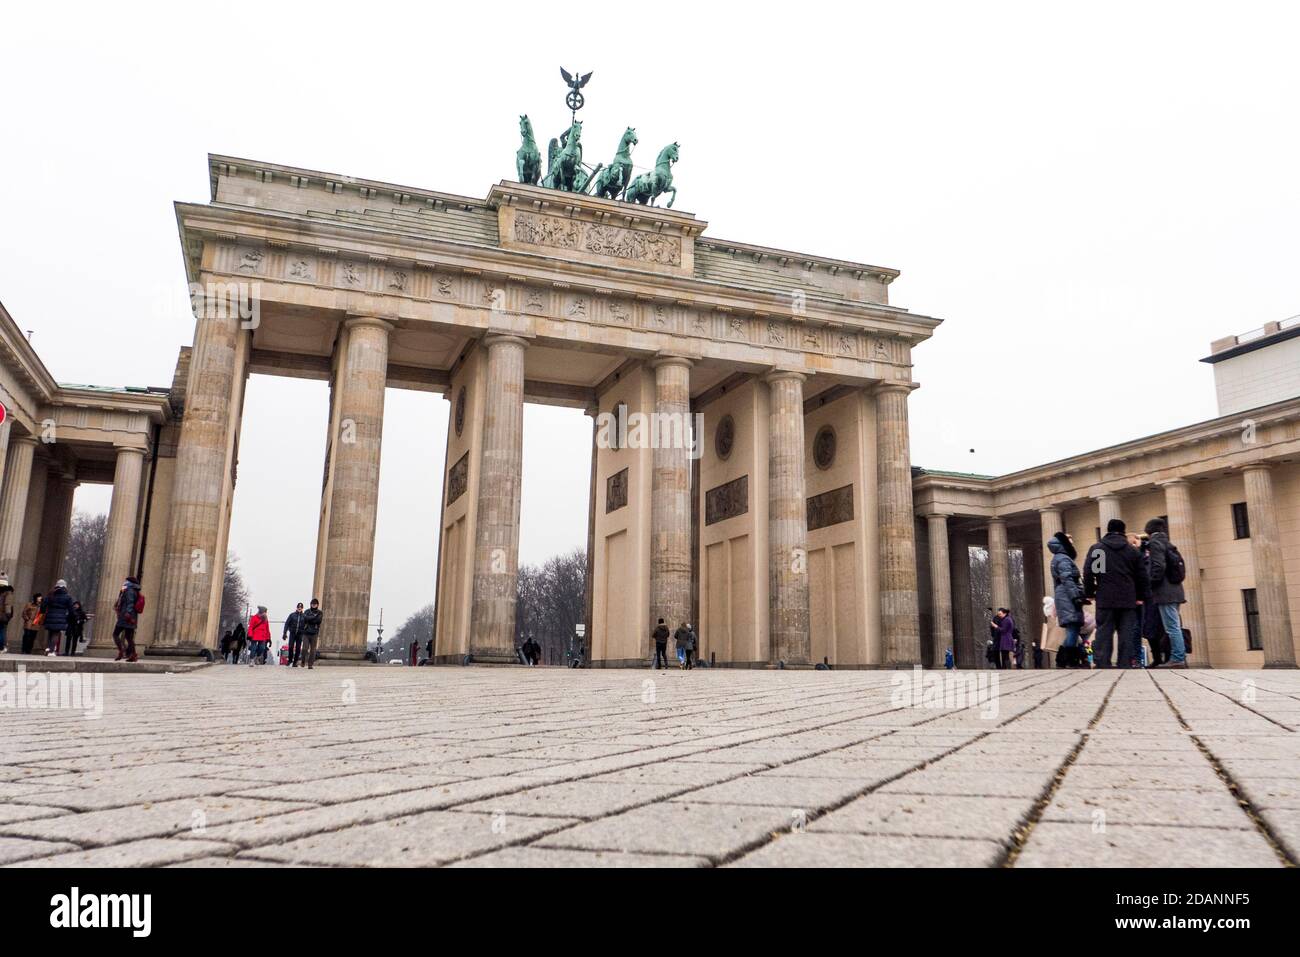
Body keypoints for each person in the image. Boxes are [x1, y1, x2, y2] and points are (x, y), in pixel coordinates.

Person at [1083, 519, 1149, 668]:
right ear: (1124, 531)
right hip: (1128, 598)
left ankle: (1102, 662)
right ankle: (1125, 663)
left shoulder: (1099, 549)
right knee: (1126, 632)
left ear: (1108, 530)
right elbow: (1141, 576)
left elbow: (1090, 573)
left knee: (1104, 631)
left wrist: (1090, 592)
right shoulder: (1131, 550)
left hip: (1105, 596)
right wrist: (1140, 596)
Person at [1144, 518, 1189, 668]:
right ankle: (1178, 656)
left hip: (1164, 591)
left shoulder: (1155, 543)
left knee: (1172, 627)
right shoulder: (1169, 544)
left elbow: (1158, 566)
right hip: (1175, 590)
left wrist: (1151, 583)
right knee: (1174, 625)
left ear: (1149, 531)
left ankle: (1177, 658)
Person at [1047, 532, 1087, 668]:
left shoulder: (1058, 558)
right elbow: (1068, 580)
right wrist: (1076, 596)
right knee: (1073, 629)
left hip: (1064, 595)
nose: (1072, 543)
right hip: (1068, 596)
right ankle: (1070, 660)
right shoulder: (1064, 559)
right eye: (1070, 540)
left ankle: (1063, 660)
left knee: (1072, 629)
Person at [112, 576, 145, 662]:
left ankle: (121, 651)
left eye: (126, 580)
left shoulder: (129, 590)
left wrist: (128, 613)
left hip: (126, 616)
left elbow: (130, 602)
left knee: (115, 634)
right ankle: (133, 655)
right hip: (131, 616)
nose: (125, 582)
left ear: (130, 582)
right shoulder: (133, 590)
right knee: (128, 637)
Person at [40, 580, 75, 656]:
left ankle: (49, 647)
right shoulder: (67, 597)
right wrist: (70, 617)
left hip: (50, 615)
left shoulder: (50, 595)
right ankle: (51, 651)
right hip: (61, 616)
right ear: (65, 587)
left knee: (51, 632)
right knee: (56, 633)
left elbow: (43, 605)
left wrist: (43, 612)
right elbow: (71, 609)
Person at [300, 598, 322, 669]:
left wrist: (309, 619)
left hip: (314, 633)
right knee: (305, 649)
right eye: (312, 604)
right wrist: (313, 617)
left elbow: (318, 621)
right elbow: (304, 618)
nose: (313, 605)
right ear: (311, 604)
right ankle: (303, 661)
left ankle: (310, 664)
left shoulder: (320, 612)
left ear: (317, 605)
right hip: (306, 633)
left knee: (313, 650)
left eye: (315, 604)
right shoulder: (307, 611)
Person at [284, 602, 306, 667]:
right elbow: (287, 624)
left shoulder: (304, 616)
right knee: (290, 647)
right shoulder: (292, 615)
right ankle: (290, 659)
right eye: (298, 607)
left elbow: (306, 625)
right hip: (292, 633)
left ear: (302, 608)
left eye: (301, 607)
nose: (299, 608)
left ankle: (295, 662)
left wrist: (304, 632)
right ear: (297, 608)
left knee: (298, 648)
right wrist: (284, 633)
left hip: (300, 634)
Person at [0, 576, 13, 654]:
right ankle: (1, 647)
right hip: (3, 616)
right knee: (2, 631)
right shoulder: (7, 593)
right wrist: (8, 615)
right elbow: (7, 605)